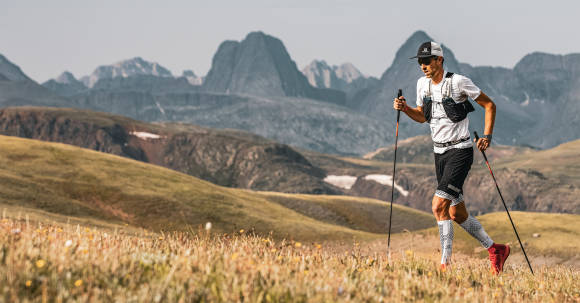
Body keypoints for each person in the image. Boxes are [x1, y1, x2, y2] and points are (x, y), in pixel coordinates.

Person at [393, 41, 510, 274]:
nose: (423, 66)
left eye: (427, 61)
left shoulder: (458, 82)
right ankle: (496, 249)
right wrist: (405, 109)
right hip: (439, 153)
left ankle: (445, 265)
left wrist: (486, 136)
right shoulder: (421, 85)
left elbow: (489, 105)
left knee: (438, 206)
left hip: (460, 151)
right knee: (457, 213)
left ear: (439, 60)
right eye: (420, 62)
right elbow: (422, 117)